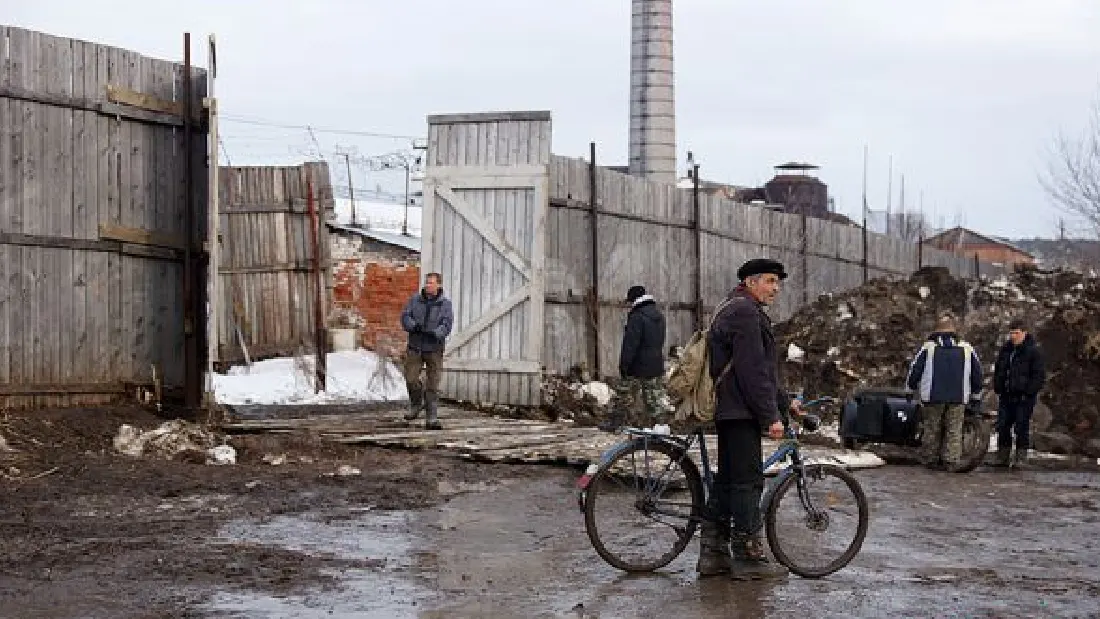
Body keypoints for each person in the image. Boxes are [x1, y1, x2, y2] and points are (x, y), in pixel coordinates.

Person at [697, 258, 797, 581]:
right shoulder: (745, 313)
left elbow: (761, 369)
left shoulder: (737, 307)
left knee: (729, 482)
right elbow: (752, 371)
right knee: (746, 483)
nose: (775, 288)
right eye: (770, 281)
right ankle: (748, 556)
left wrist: (785, 403)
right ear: (752, 282)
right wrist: (771, 417)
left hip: (734, 409)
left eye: (777, 282)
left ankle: (713, 555)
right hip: (739, 411)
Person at [905, 315, 983, 471]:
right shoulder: (967, 349)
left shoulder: (929, 348)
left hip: (933, 396)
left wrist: (910, 389)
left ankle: (930, 459)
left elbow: (916, 370)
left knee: (932, 428)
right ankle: (950, 460)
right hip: (958, 396)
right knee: (954, 429)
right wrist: (976, 396)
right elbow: (977, 374)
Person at [399, 272, 453, 430]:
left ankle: (432, 416)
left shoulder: (445, 304)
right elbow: (405, 316)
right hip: (415, 345)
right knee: (410, 378)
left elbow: (447, 324)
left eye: (431, 283)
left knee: (433, 383)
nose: (428, 285)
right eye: (427, 282)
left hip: (434, 348)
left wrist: (436, 333)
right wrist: (412, 326)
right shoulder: (415, 300)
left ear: (439, 285)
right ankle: (416, 403)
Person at [993, 319, 1046, 468]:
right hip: (1006, 394)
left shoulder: (1033, 351)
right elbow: (999, 370)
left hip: (1023, 397)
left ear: (1024, 333)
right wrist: (998, 386)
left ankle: (1021, 457)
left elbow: (1039, 375)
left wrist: (1029, 392)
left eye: (1016, 333)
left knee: (1021, 426)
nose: (1013, 336)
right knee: (1003, 425)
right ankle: (1002, 456)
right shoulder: (1006, 350)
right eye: (1011, 333)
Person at [613, 285, 668, 424]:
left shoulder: (637, 317)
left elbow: (630, 344)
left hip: (637, 366)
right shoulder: (659, 315)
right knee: (654, 400)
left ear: (634, 300)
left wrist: (624, 365)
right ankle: (660, 426)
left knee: (623, 395)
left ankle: (616, 422)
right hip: (655, 364)